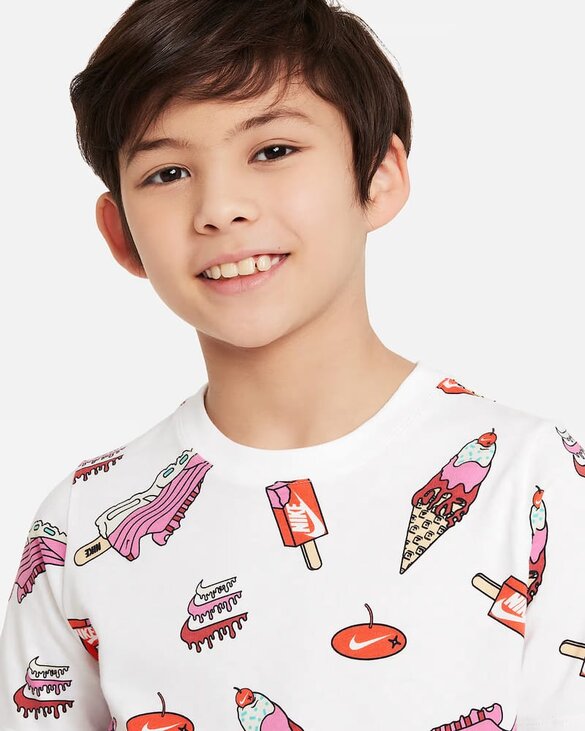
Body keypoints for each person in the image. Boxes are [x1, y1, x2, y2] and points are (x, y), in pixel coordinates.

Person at [0, 0, 583, 729]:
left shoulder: (535, 482)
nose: (220, 208)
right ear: (121, 235)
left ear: (378, 177)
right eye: (168, 171)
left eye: (273, 150)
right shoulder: (82, 527)